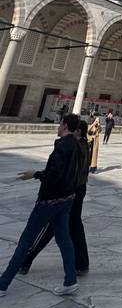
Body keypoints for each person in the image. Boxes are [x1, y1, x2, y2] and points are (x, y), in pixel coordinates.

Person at [0, 114, 82, 297]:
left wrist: (35, 173)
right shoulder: (77, 145)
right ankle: (70, 281)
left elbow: (55, 175)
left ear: (66, 125)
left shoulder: (62, 147)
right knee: (64, 240)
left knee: (26, 241)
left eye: (60, 123)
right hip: (67, 199)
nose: (58, 126)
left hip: (50, 201)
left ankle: (3, 283)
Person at [20, 118, 90, 276]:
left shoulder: (71, 146)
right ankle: (81, 264)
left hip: (68, 190)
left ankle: (27, 259)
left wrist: (36, 174)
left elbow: (57, 173)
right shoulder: (84, 145)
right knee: (72, 226)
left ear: (76, 131)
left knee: (52, 226)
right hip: (79, 188)